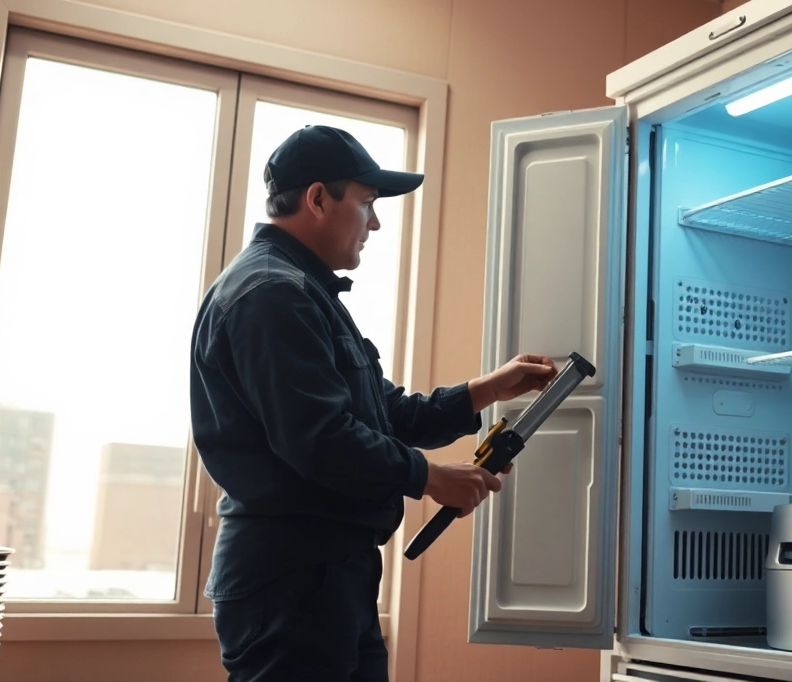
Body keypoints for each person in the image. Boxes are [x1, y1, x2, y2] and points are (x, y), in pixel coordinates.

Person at [189, 124, 556, 682]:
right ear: (317, 198)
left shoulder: (303, 293)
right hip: (292, 579)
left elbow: (390, 416)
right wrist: (430, 478)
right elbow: (319, 439)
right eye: (366, 203)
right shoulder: (271, 295)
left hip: (328, 575)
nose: (376, 222)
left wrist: (489, 389)